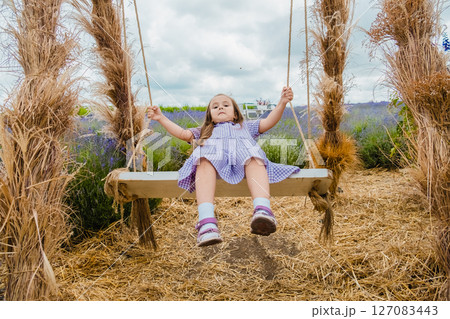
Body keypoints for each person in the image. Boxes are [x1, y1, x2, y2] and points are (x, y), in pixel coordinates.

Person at [147, 87, 300, 247]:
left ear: (235, 114)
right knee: (202, 159)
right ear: (210, 116)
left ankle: (262, 210)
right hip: (212, 164)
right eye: (215, 106)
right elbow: (183, 134)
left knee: (255, 157)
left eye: (226, 105)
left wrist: (282, 103)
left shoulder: (246, 126)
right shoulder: (206, 131)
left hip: (244, 161)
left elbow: (269, 122)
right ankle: (206, 223)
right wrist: (161, 118)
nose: (220, 107)